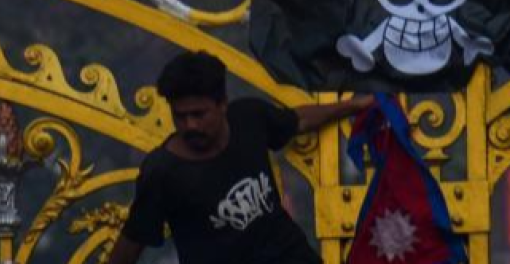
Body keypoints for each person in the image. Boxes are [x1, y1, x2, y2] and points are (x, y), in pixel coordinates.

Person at [105, 51, 372, 264]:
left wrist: (352, 106)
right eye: (181, 116)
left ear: (222, 104)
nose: (190, 126)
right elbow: (131, 244)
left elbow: (298, 120)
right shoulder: (162, 172)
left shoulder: (249, 118)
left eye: (199, 114)